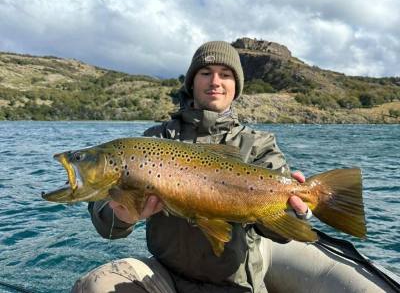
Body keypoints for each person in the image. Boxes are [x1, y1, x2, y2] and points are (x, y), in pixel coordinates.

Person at [72, 41, 395, 293]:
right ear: (191, 82)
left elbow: (278, 233)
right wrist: (122, 216)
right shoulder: (154, 140)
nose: (215, 81)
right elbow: (106, 226)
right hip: (168, 276)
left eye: (225, 75)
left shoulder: (258, 145)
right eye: (205, 73)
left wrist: (297, 211)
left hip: (238, 281)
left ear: (236, 86)